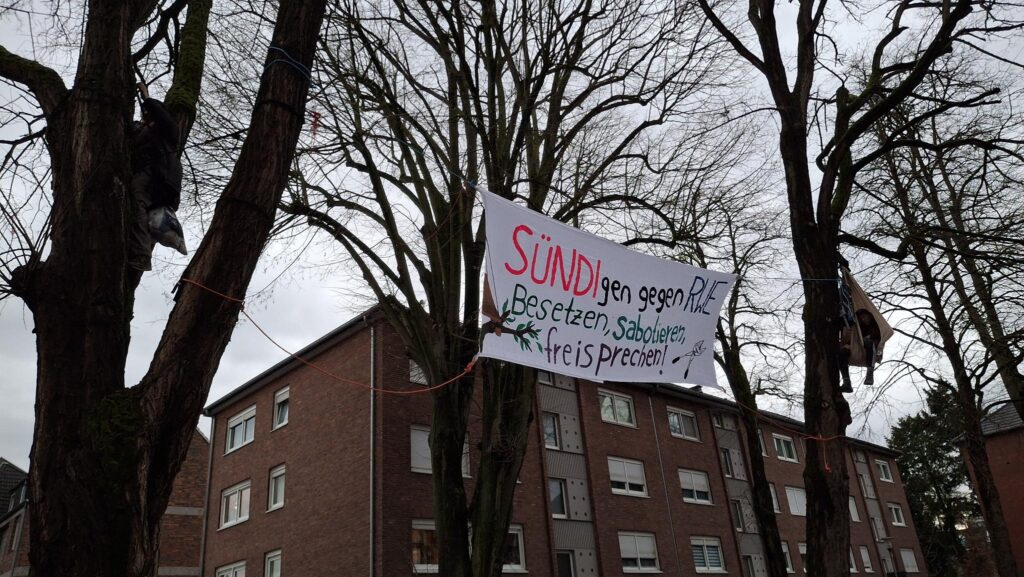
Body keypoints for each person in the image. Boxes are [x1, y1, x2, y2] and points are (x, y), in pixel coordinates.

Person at [128, 83, 182, 273]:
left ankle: (141, 255)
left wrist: (147, 98)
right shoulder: (139, 129)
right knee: (144, 214)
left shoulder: (167, 130)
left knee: (137, 203)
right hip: (146, 175)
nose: (146, 115)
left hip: (157, 176)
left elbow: (163, 118)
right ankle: (138, 250)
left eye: (149, 112)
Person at [840, 308, 882, 392]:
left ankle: (870, 373)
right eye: (862, 318)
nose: (864, 319)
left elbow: (881, 336)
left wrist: (868, 337)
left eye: (865, 317)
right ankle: (847, 382)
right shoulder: (858, 327)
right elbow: (854, 337)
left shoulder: (876, 325)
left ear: (869, 316)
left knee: (869, 342)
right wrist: (848, 344)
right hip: (856, 348)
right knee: (842, 353)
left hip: (870, 351)